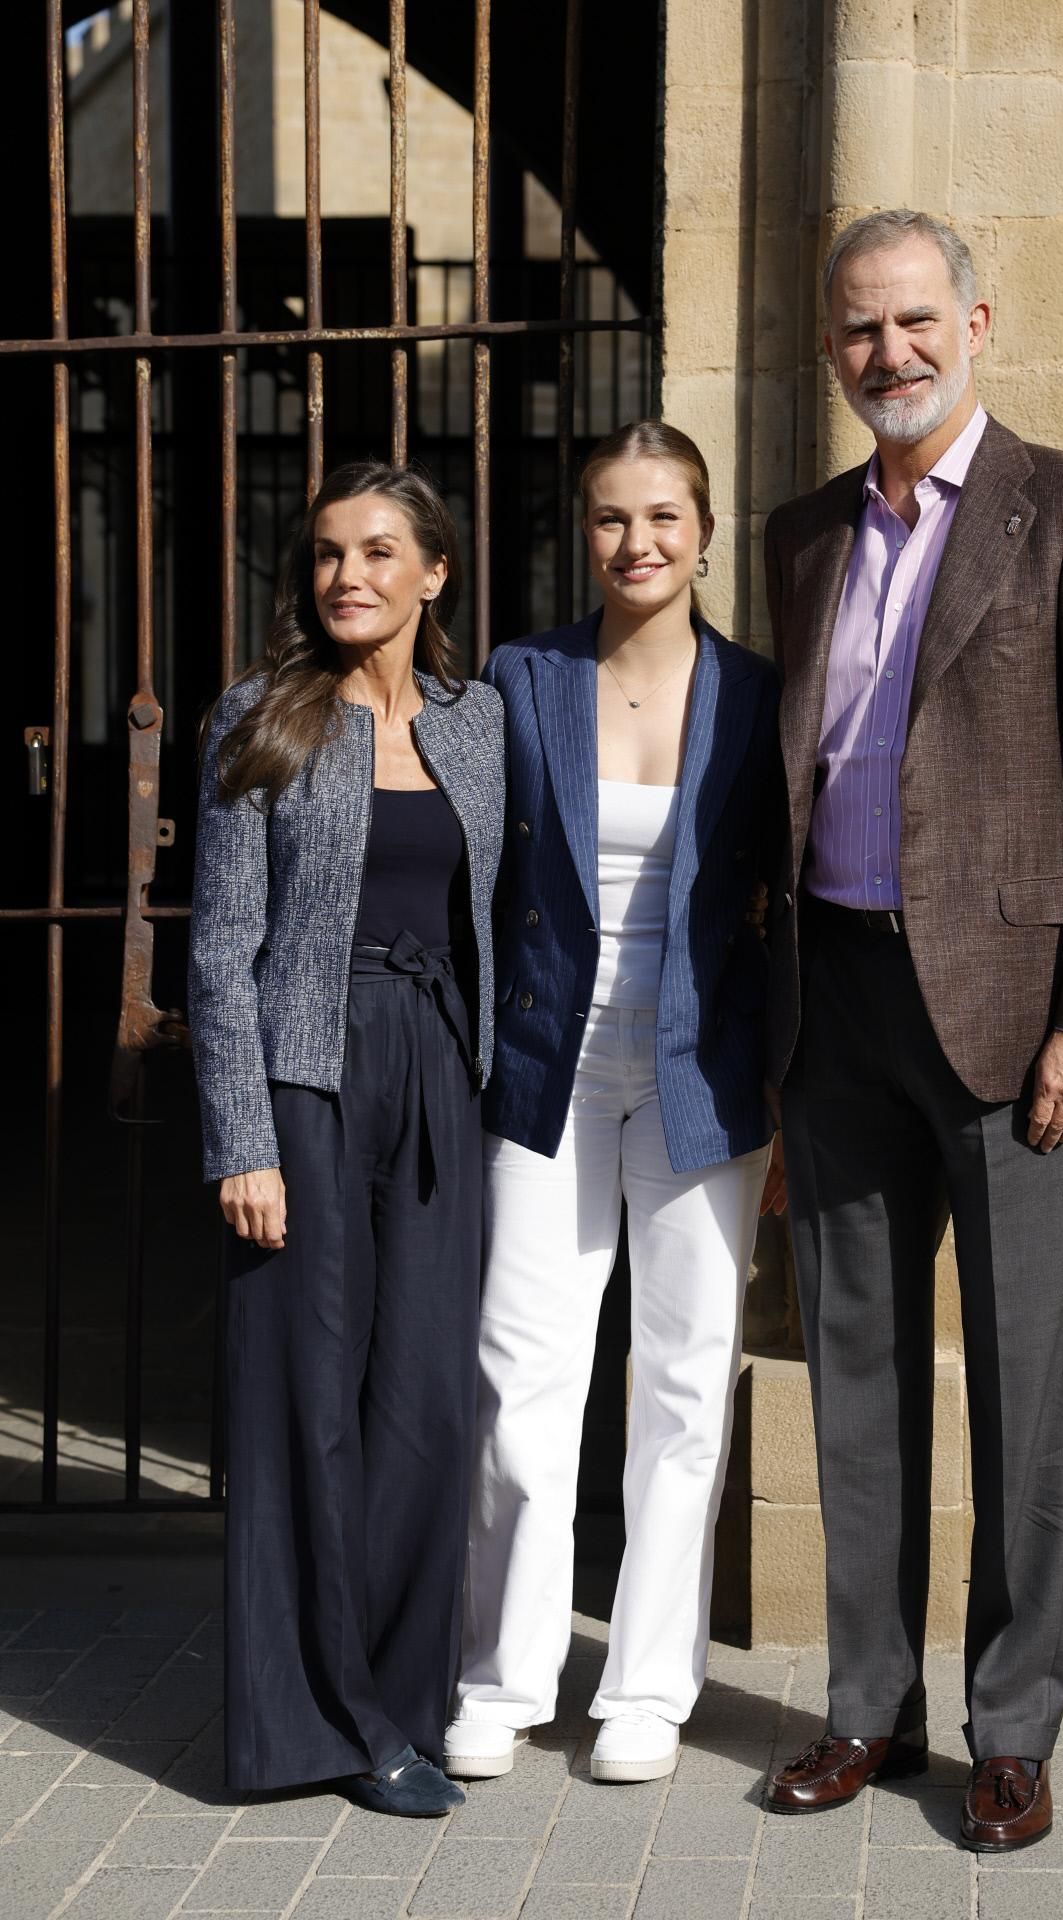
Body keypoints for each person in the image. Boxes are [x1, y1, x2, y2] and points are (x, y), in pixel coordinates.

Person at [761, 211, 1063, 1848]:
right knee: (852, 1375)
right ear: (832, 346)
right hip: (842, 1003)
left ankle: (1014, 1726)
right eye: (863, 330)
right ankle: (869, 1705)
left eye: (919, 322)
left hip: (1019, 1031)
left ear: (979, 322)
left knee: (1026, 1389)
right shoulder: (802, 536)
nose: (894, 354)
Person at [441, 420, 785, 1787]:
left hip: (706, 1071)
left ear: (702, 530)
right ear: (581, 535)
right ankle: (503, 1674)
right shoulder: (523, 680)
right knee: (522, 1375)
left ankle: (647, 1686)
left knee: (686, 1380)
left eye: (662, 517)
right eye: (607, 519)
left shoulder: (759, 693)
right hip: (548, 1068)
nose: (636, 542)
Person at [188, 460, 505, 1816]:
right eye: (327, 553)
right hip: (305, 1077)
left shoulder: (478, 721)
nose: (348, 576)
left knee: (426, 1403)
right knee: (301, 1404)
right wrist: (239, 1140)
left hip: (441, 1075)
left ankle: (403, 1697)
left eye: (380, 551)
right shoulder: (259, 719)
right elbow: (216, 948)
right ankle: (322, 1722)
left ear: (434, 573)